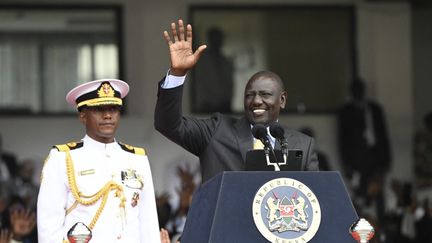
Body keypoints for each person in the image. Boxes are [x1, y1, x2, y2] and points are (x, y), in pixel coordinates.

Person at [155, 19, 319, 183]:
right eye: (249, 95)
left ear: (282, 100)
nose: (256, 101)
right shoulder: (216, 131)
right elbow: (168, 125)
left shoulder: (303, 145)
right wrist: (177, 74)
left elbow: (315, 196)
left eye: (265, 94)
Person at [37, 79, 160, 242]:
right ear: (82, 116)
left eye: (113, 109)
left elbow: (148, 221)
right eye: (98, 109)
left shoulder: (137, 158)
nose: (108, 116)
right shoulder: (63, 158)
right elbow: (49, 224)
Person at [338, 79, 391, 223]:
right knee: (361, 198)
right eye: (355, 90)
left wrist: (386, 161)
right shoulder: (346, 111)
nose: (358, 93)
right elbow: (342, 140)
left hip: (376, 158)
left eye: (360, 90)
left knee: (378, 196)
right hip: (357, 161)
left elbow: (383, 135)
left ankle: (380, 231)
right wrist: (347, 165)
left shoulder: (374, 109)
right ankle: (362, 232)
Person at [193, 27, 234, 113]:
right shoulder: (202, 60)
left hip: (225, 106)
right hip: (207, 107)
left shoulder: (225, 61)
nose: (217, 41)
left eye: (219, 38)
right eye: (215, 38)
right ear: (210, 39)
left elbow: (229, 84)